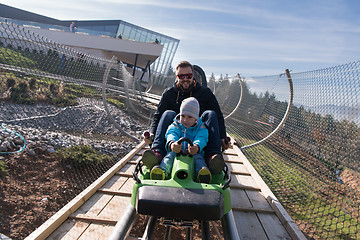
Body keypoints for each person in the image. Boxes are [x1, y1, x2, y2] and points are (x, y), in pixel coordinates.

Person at [142, 60, 230, 174]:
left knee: (211, 113)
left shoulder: (205, 93)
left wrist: (222, 137)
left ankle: (212, 156)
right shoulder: (169, 94)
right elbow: (158, 115)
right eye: (181, 76)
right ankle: (157, 153)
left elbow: (218, 116)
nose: (185, 79)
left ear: (193, 76)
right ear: (177, 77)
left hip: (198, 132)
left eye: (188, 75)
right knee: (168, 113)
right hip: (176, 134)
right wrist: (152, 132)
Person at [146, 97, 212, 183]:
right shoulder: (176, 124)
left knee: (199, 160)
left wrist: (197, 146)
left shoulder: (200, 127)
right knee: (168, 157)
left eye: (189, 117)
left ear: (196, 118)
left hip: (193, 152)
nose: (185, 120)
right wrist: (172, 143)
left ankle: (201, 174)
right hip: (177, 151)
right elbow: (171, 133)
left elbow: (202, 137)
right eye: (183, 116)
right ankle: (162, 172)